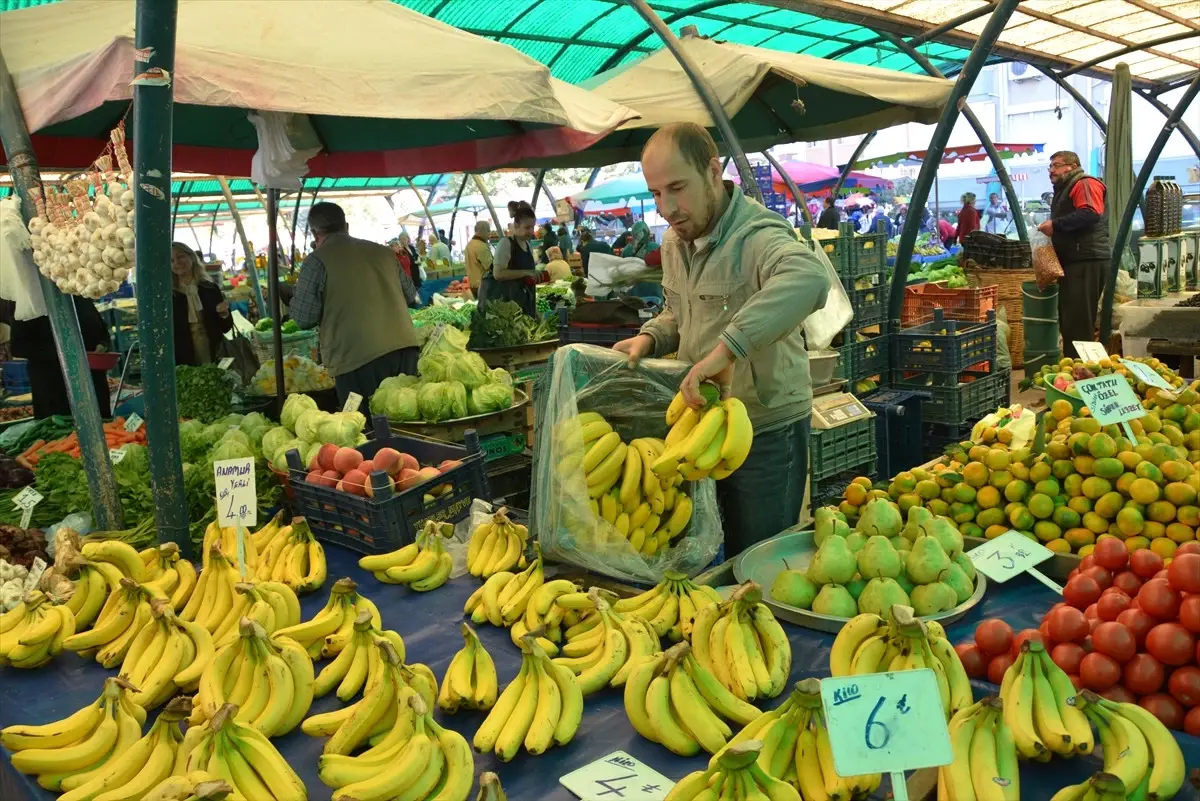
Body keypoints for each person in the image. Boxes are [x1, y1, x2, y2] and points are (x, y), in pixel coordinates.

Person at [613, 122, 831, 558]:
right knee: (714, 558)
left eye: (677, 187)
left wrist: (729, 348)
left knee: (759, 559)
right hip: (703, 422)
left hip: (766, 430)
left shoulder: (757, 235)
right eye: (656, 194)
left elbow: (809, 277)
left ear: (713, 171)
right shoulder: (677, 241)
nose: (667, 208)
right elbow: (681, 308)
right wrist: (650, 338)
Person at [290, 202, 420, 405]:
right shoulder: (383, 253)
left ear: (315, 234)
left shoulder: (316, 261)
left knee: (365, 428)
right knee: (408, 421)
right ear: (346, 226)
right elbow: (412, 296)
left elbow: (303, 319)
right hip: (405, 349)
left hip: (356, 360)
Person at [1039, 150, 1110, 358]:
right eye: (1050, 166)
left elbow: (1090, 212)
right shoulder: (1066, 187)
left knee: (1078, 321)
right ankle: (1076, 368)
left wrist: (1055, 225)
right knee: (1072, 319)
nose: (1052, 170)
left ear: (1073, 166)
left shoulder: (1084, 183)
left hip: (1086, 259)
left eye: (1057, 165)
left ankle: (1082, 372)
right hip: (1076, 261)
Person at [10, 296, 112, 418]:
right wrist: (63, 353)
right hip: (54, 388)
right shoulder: (32, 301)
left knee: (104, 427)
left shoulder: (81, 297)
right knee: (61, 432)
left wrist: (103, 344)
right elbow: (18, 347)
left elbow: (102, 331)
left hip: (92, 383)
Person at [481, 202, 549, 318]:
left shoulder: (527, 245)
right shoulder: (506, 243)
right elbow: (498, 274)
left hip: (523, 302)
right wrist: (526, 272)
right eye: (527, 227)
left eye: (533, 227)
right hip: (507, 305)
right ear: (516, 225)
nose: (531, 231)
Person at [170, 242, 231, 366]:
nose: (177, 262)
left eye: (180, 256)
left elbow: (226, 328)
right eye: (171, 260)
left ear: (191, 257)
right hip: (182, 356)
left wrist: (224, 314)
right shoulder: (168, 295)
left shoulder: (210, 288)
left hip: (212, 350)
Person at [464, 221, 493, 295]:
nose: (489, 234)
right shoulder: (481, 246)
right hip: (483, 285)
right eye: (488, 231)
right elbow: (490, 266)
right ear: (483, 231)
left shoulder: (469, 244)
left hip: (473, 285)